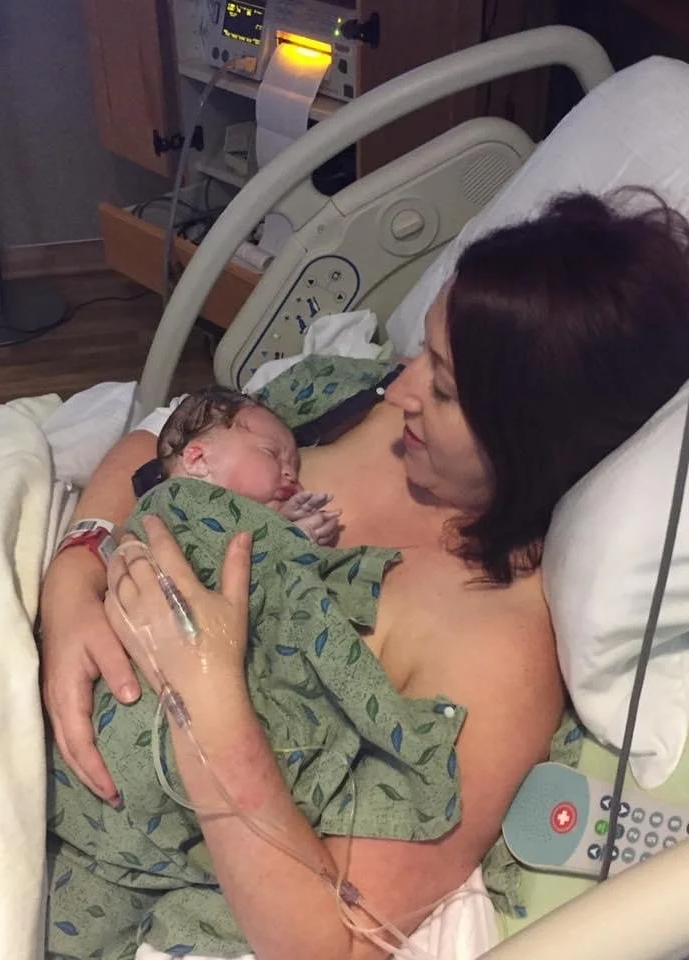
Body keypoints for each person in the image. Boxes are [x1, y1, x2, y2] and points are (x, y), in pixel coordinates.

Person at [40, 190, 689, 959]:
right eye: (423, 353)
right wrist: (72, 577)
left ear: (534, 437)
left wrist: (210, 713)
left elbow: (341, 943)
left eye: (444, 388)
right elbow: (163, 443)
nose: (401, 386)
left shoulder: (495, 642)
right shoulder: (368, 408)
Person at [156, 384, 341, 544]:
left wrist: (285, 523)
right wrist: (289, 537)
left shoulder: (240, 521)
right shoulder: (175, 506)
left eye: (294, 465)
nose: (291, 474)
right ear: (197, 460)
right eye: (270, 453)